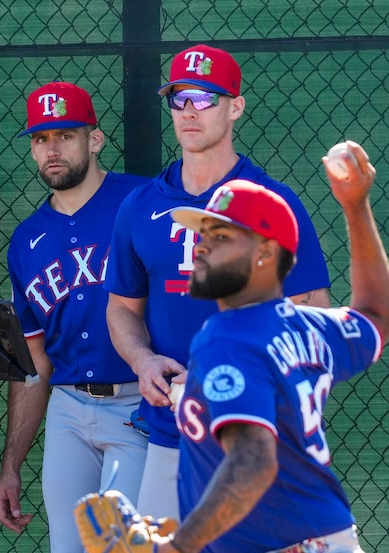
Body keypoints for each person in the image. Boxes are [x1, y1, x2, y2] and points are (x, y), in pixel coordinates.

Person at [104, 44, 331, 520]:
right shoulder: (140, 206)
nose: (189, 111)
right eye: (179, 97)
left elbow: (312, 315)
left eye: (206, 98)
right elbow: (123, 308)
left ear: (235, 107)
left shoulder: (271, 202)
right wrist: (142, 359)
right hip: (171, 433)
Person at [154, 146, 385, 553]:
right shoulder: (310, 326)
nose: (202, 247)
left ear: (266, 251)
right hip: (332, 539)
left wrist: (177, 547)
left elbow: (253, 463)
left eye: (221, 235)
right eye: (204, 234)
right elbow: (376, 316)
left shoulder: (227, 337)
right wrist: (355, 207)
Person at [0, 81, 150, 552]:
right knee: (69, 545)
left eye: (65, 134)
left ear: (95, 140)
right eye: (41, 139)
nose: (51, 149)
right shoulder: (27, 240)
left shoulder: (142, 203)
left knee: (126, 545)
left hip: (137, 404)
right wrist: (11, 464)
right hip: (68, 411)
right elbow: (34, 360)